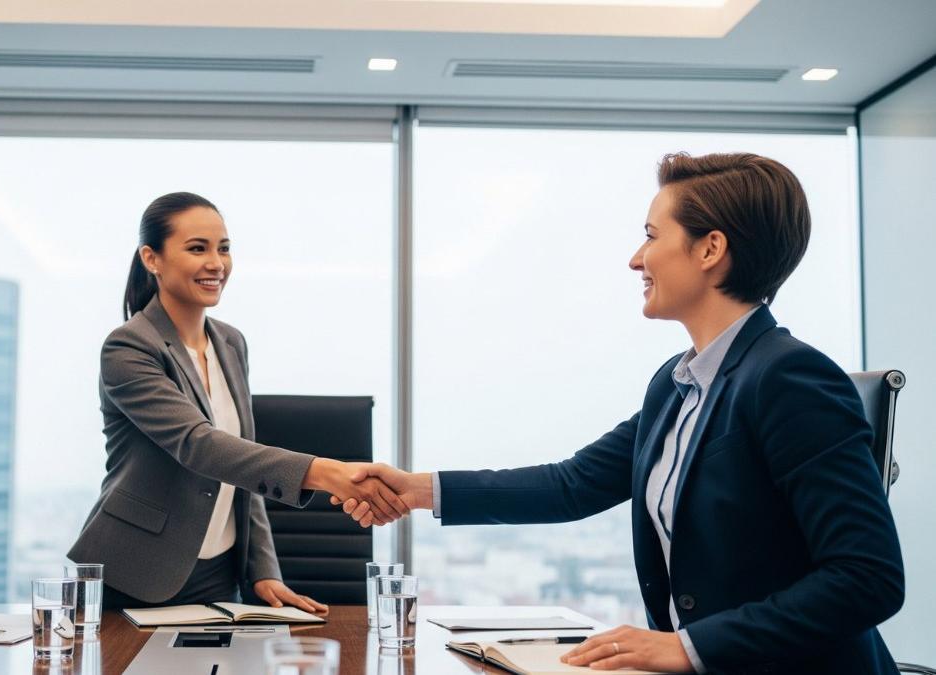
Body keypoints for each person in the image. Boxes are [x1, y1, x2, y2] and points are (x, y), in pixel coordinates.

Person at [336, 153, 904, 673]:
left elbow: (868, 577)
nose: (636, 259)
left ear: (710, 249)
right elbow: (573, 485)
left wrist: (687, 646)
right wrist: (417, 489)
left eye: (652, 236)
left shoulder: (789, 378)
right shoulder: (677, 385)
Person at [69, 192, 407, 612]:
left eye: (224, 248)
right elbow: (199, 445)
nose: (217, 263)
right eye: (198, 248)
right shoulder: (129, 347)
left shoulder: (230, 343)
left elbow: (242, 461)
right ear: (151, 258)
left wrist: (264, 569)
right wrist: (327, 473)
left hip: (219, 573)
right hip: (139, 570)